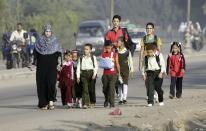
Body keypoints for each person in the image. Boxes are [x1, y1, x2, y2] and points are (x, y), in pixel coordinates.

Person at [34, 24, 62, 110]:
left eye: (49, 31)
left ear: (51, 32)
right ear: (44, 32)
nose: (47, 33)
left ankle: (51, 101)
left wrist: (60, 63)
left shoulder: (55, 41)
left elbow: (60, 52)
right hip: (41, 67)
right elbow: (35, 53)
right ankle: (43, 103)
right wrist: (33, 62)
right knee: (42, 84)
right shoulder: (39, 41)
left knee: (51, 83)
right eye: (46, 31)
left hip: (52, 66)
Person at [139, 22, 163, 102]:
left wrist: (159, 59)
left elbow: (159, 50)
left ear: (153, 29)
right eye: (147, 28)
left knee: (154, 80)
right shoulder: (144, 39)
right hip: (146, 61)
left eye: (150, 28)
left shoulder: (157, 38)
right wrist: (140, 61)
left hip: (154, 61)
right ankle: (149, 93)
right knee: (146, 79)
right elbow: (142, 50)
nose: (149, 30)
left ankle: (154, 94)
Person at [76, 43, 98, 109]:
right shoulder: (81, 58)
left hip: (91, 74)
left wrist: (94, 74)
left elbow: (96, 67)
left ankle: (92, 102)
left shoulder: (93, 57)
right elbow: (78, 67)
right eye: (84, 49)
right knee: (85, 89)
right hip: (83, 74)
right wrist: (78, 77)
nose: (85, 50)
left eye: (87, 49)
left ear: (90, 50)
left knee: (91, 89)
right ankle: (85, 103)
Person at [101, 40, 120, 108]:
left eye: (109, 48)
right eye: (106, 48)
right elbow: (101, 64)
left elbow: (117, 63)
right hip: (105, 74)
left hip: (113, 74)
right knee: (105, 89)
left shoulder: (114, 54)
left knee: (111, 88)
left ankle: (112, 104)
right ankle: (106, 99)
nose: (107, 49)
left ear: (111, 47)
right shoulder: (103, 54)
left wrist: (119, 73)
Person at [117, 37, 134, 105]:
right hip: (118, 70)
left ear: (122, 43)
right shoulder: (116, 51)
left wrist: (131, 70)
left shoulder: (127, 51)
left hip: (125, 69)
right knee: (119, 84)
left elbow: (130, 61)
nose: (117, 43)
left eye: (118, 42)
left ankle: (124, 98)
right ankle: (120, 99)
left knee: (125, 83)